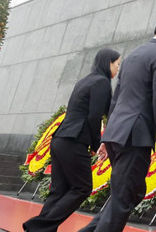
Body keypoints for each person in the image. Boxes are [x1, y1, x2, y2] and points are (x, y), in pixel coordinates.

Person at [79, 15, 156, 232]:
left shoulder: (133, 56)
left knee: (130, 193)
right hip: (134, 137)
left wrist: (107, 135)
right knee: (124, 198)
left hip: (118, 135)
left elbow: (117, 98)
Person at [23, 48, 121, 232]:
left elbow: (107, 112)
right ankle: (37, 226)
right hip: (74, 141)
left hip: (60, 139)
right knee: (82, 187)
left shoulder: (85, 81)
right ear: (108, 63)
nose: (118, 69)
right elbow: (94, 117)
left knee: (58, 190)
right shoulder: (101, 82)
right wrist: (96, 144)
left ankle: (41, 231)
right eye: (117, 64)